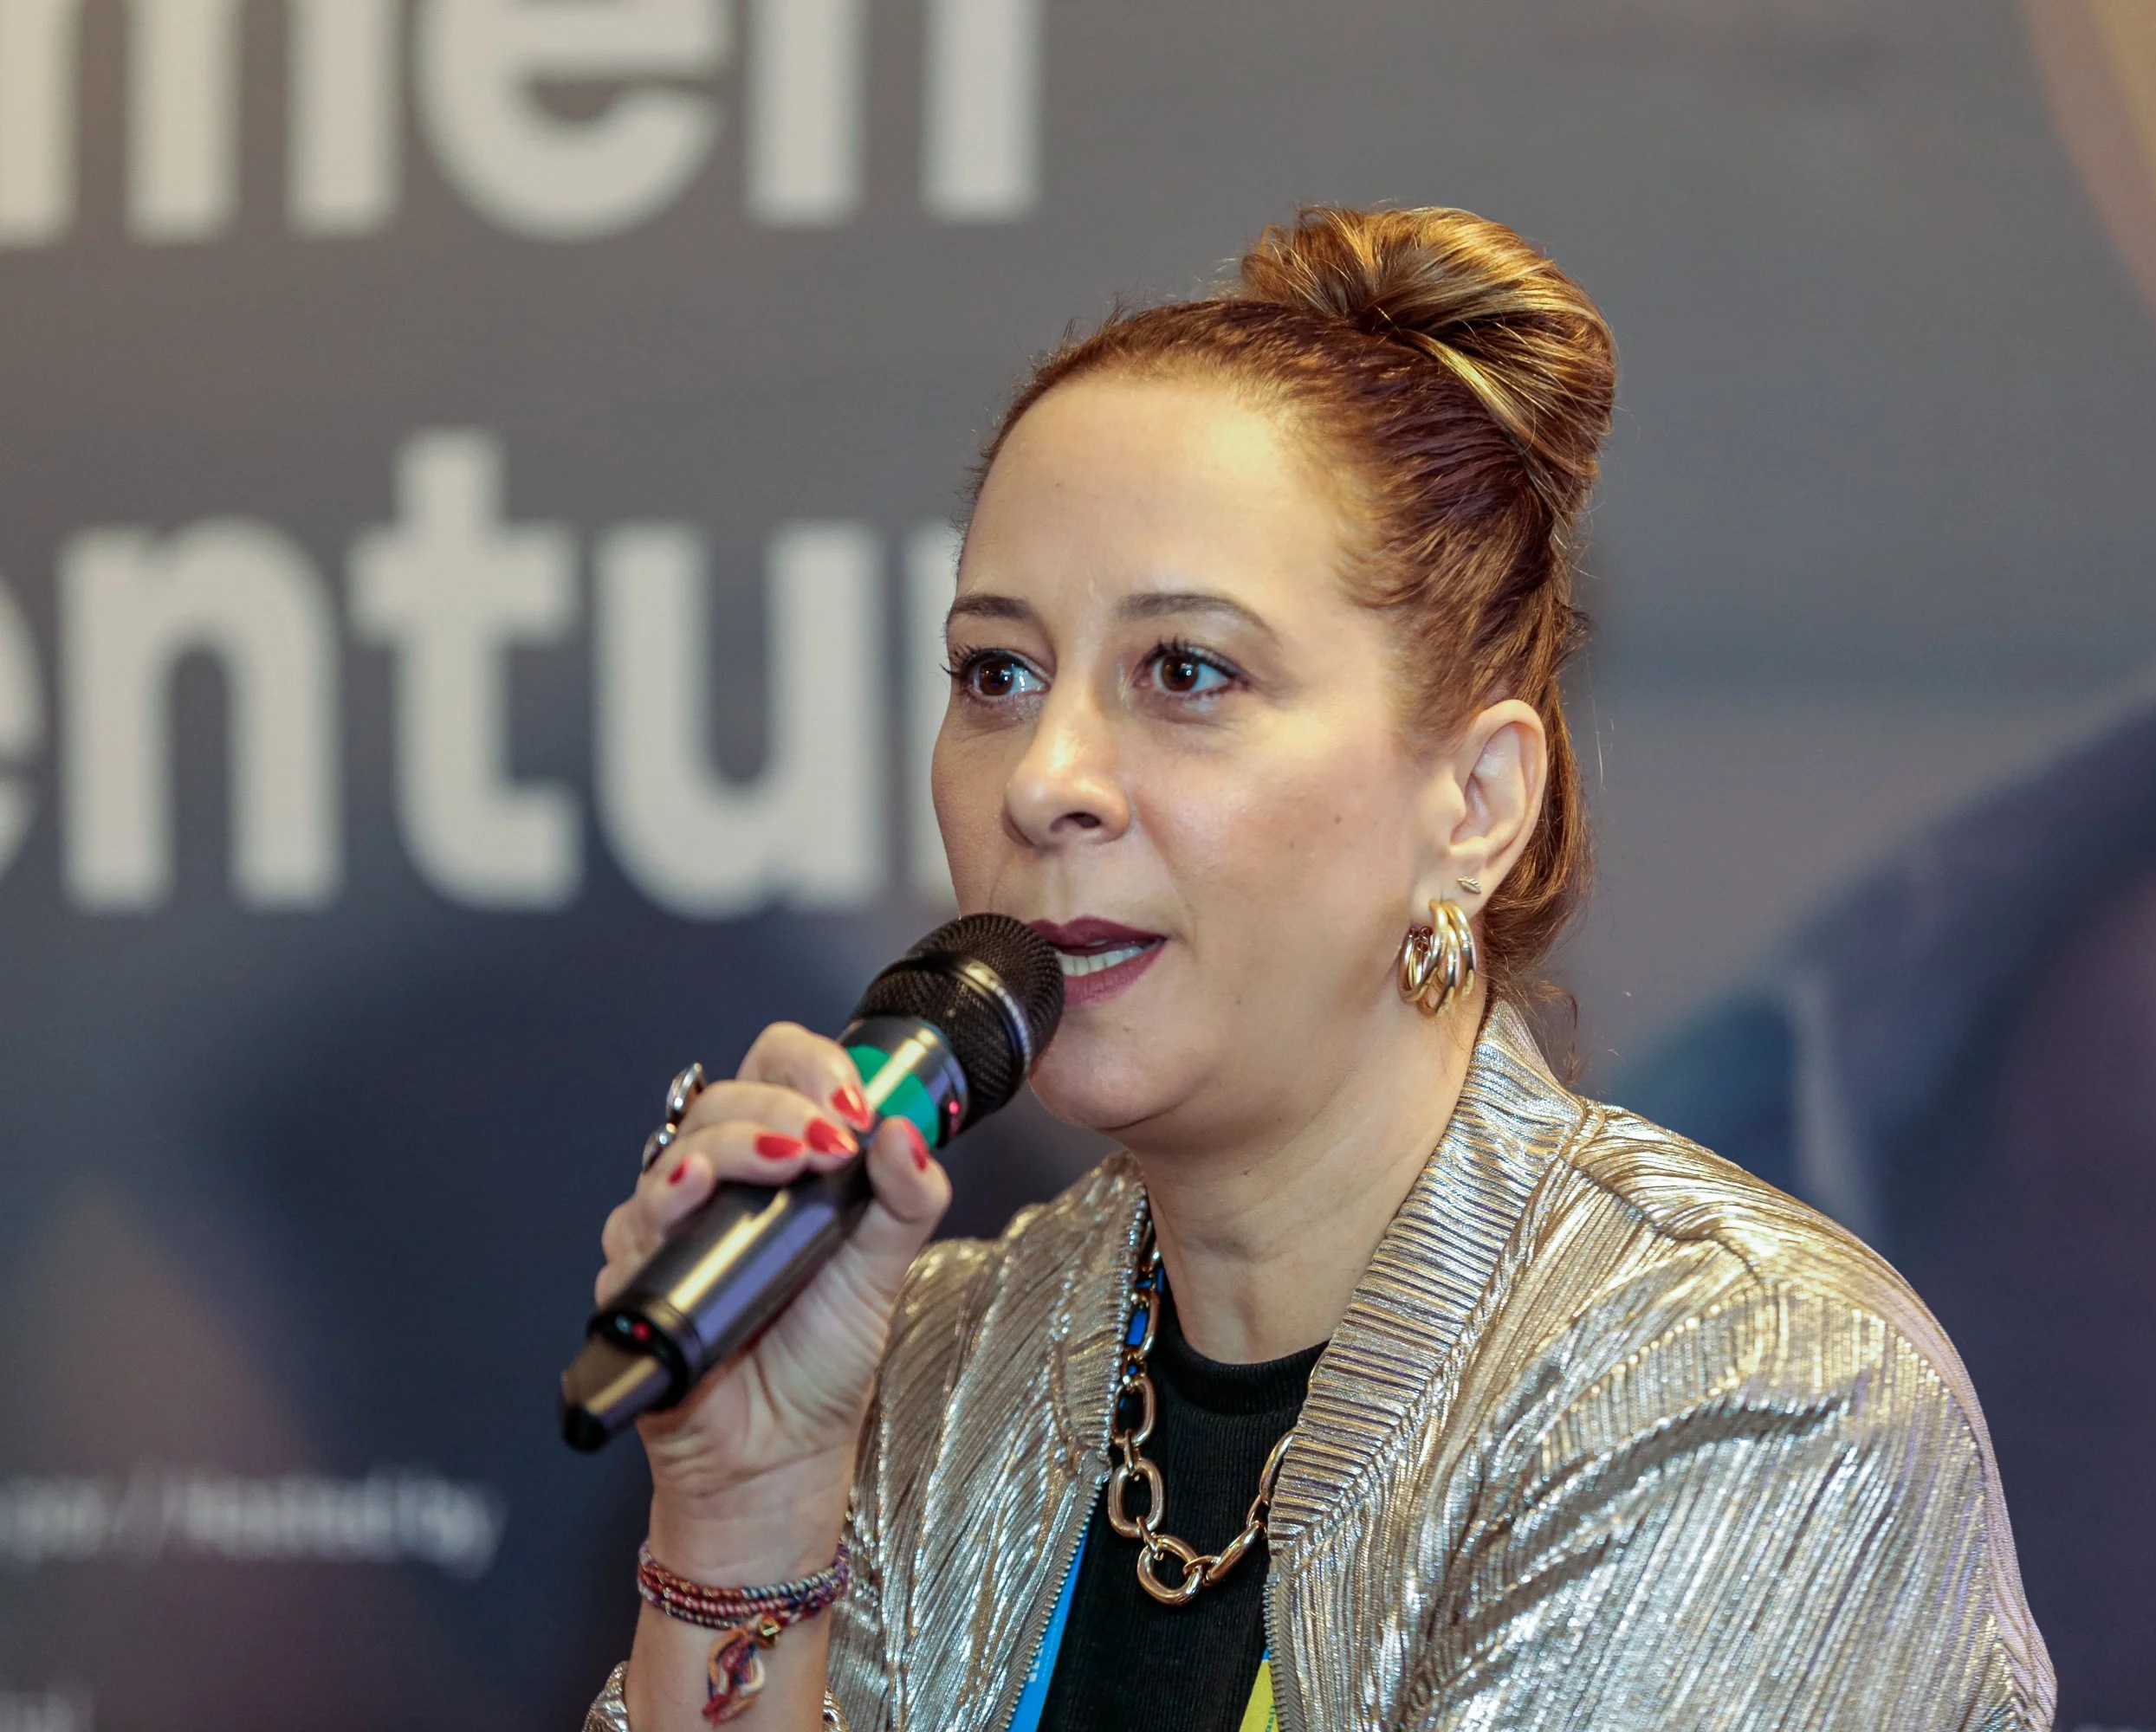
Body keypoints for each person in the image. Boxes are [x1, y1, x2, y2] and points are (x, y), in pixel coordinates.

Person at [582, 206, 2053, 1731]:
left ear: (1474, 804)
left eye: (1187, 672)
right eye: (997, 673)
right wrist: (746, 1518)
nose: (1046, 779)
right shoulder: (933, 1372)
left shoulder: (1748, 1382)